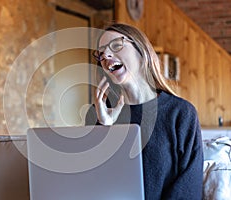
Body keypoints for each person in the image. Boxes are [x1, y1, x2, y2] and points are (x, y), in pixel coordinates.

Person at [85, 23, 203, 200]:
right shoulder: (98, 114)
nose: (106, 56)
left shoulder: (181, 113)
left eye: (116, 45)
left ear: (142, 52)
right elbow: (90, 183)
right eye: (101, 53)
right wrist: (105, 128)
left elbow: (188, 189)